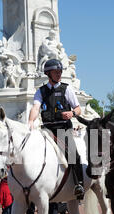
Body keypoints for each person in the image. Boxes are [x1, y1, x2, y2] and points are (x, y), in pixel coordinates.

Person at [28, 59, 85, 199]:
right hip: (47, 129)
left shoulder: (67, 89)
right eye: (56, 72)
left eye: (60, 71)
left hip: (63, 129)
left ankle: (79, 184)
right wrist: (30, 121)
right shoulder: (40, 91)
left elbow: (78, 109)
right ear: (48, 73)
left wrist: (72, 113)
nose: (59, 74)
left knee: (73, 154)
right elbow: (36, 108)